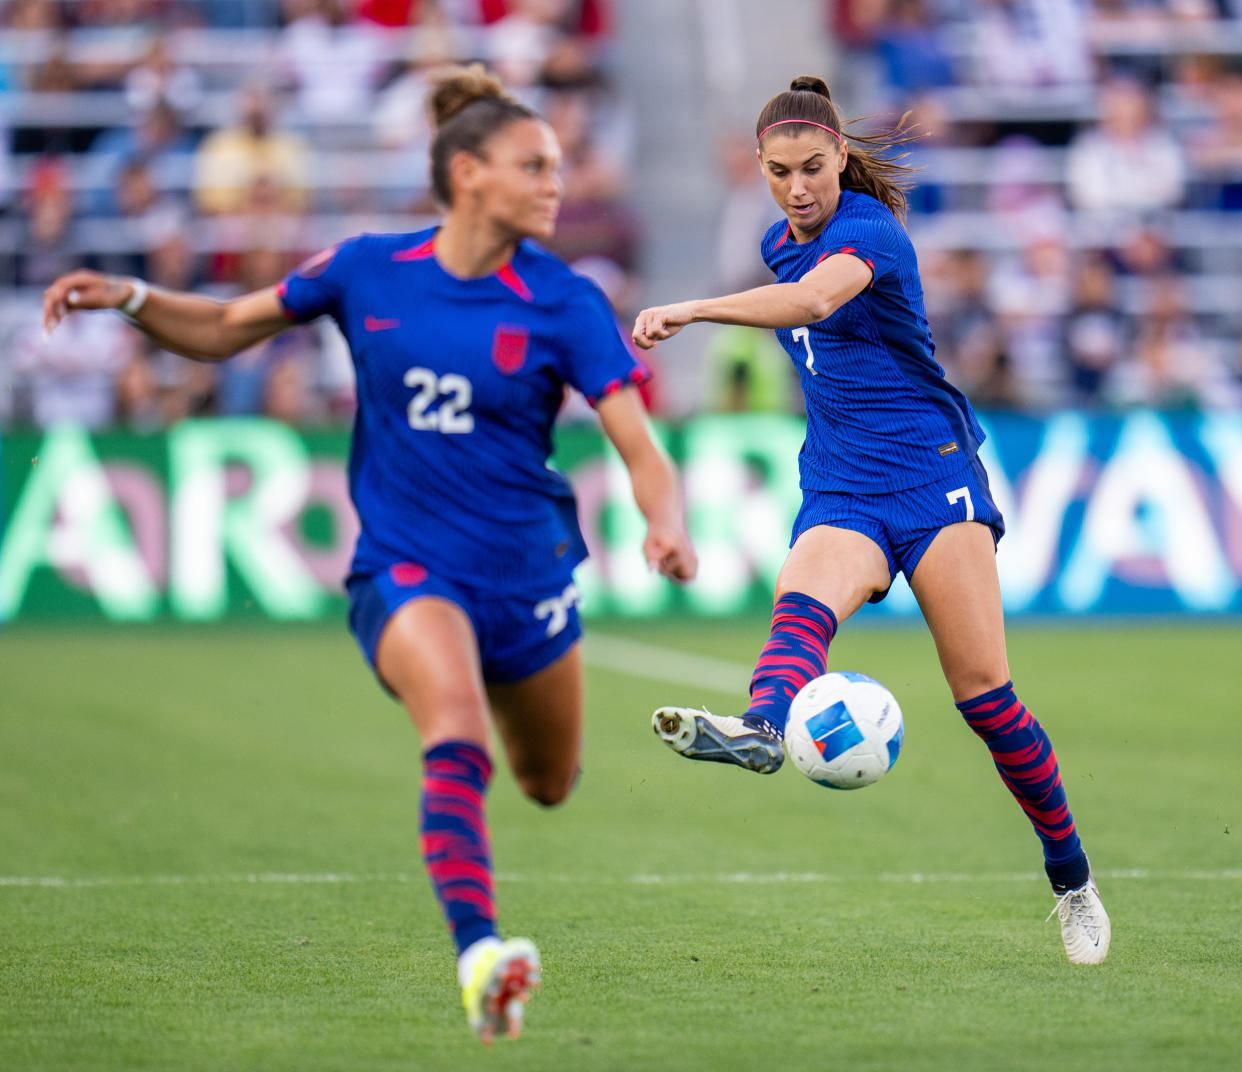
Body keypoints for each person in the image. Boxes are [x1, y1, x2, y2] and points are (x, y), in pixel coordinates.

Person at [43, 63, 697, 1042]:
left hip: (527, 578)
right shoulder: (367, 269)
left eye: (558, 166)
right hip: (404, 567)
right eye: (536, 165)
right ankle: (481, 959)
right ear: (469, 172)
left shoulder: (564, 299)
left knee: (547, 782)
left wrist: (665, 520)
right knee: (456, 735)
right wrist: (133, 294)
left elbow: (638, 444)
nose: (558, 182)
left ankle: (488, 915)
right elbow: (226, 327)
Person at [631, 75, 1110, 967]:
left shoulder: (868, 232)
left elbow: (815, 303)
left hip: (933, 480)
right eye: (780, 172)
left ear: (841, 157)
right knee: (799, 602)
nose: (798, 188)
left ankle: (1072, 879)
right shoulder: (780, 242)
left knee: (988, 702)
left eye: (813, 167)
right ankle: (764, 729)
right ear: (763, 173)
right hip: (843, 484)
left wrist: (695, 306)